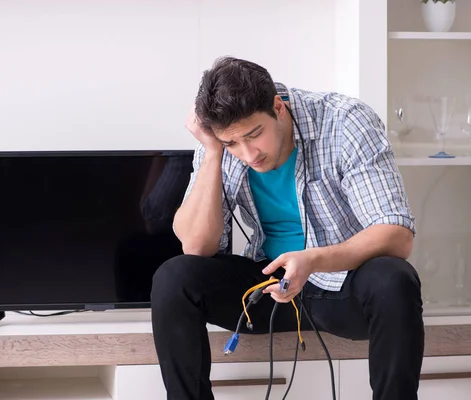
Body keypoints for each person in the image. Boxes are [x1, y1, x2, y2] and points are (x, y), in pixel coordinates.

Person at [150, 56, 424, 400]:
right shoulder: (222, 141)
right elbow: (197, 247)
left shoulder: (345, 121)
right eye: (232, 143)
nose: (249, 154)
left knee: (394, 277)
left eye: (254, 135)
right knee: (173, 277)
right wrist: (213, 152)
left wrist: (312, 260)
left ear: (278, 107)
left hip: (342, 285)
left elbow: (397, 235)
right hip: (269, 288)